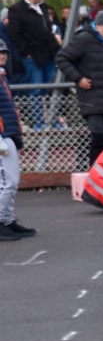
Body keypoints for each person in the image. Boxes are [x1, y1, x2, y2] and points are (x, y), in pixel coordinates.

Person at [58, 9, 103, 164]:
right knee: (99, 135)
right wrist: (78, 78)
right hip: (92, 97)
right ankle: (95, 169)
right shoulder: (84, 39)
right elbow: (62, 58)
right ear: (99, 26)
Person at [6, 0, 61, 129]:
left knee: (52, 87)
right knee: (36, 89)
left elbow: (48, 28)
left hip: (49, 53)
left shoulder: (43, 7)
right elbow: (14, 34)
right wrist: (26, 53)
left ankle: (54, 121)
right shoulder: (16, 10)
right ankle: (39, 122)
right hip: (32, 55)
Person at [0, 40, 26, 240]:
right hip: (2, 135)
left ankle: (8, 220)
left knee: (12, 181)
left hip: (8, 132)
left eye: (4, 52)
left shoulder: (2, 77)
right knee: (9, 181)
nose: (2, 56)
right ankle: (1, 221)